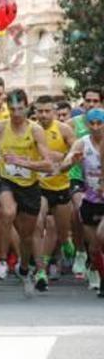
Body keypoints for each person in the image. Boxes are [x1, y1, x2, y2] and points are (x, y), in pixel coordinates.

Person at [0, 89, 53, 297]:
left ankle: (24, 268)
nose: (16, 113)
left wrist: (23, 162)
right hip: (7, 181)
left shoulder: (35, 131)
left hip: (30, 186)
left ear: (27, 107)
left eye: (20, 108)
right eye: (12, 108)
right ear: (8, 108)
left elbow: (48, 165)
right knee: (6, 212)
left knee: (26, 237)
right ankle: (2, 259)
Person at [57, 107, 104, 298]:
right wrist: (72, 161)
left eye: (99, 123)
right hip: (91, 200)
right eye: (91, 123)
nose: (95, 127)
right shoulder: (82, 143)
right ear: (86, 124)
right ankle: (101, 280)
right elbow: (63, 166)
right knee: (93, 249)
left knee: (102, 235)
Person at [35, 95, 76, 282]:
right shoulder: (30, 129)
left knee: (61, 230)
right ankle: (41, 269)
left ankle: (66, 242)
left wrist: (63, 159)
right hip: (39, 187)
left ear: (53, 111)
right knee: (41, 223)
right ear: (35, 112)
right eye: (40, 111)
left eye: (47, 111)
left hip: (61, 186)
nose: (43, 115)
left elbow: (76, 153)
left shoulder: (64, 129)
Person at [68, 87, 103, 279]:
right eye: (87, 100)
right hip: (78, 176)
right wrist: (65, 161)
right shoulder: (73, 124)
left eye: (95, 101)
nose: (91, 104)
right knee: (78, 209)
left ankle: (94, 261)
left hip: (98, 181)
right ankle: (80, 252)